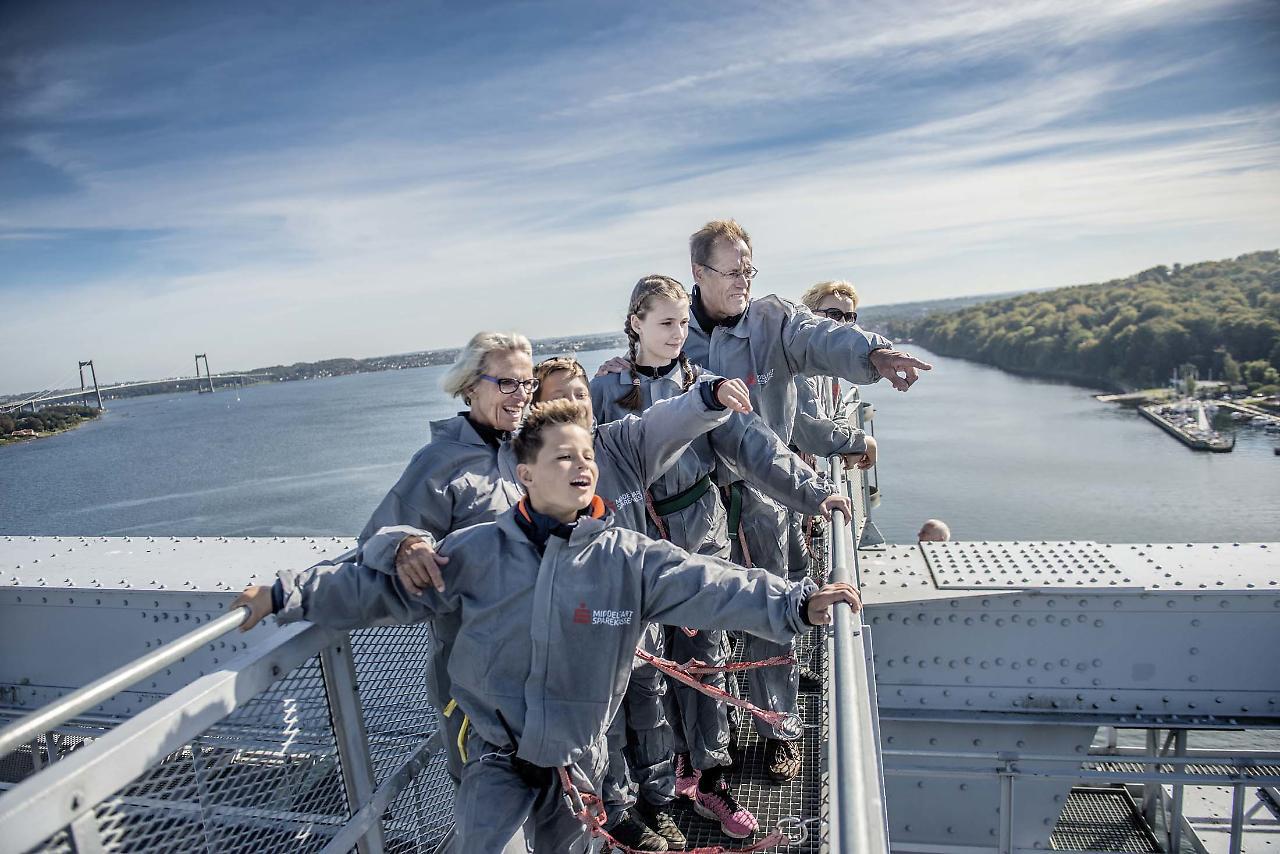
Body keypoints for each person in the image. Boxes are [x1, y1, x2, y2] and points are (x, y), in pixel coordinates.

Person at [232, 400, 863, 854]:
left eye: (588, 454)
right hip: (497, 760)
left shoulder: (626, 558)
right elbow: (374, 589)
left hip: (577, 765)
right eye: (563, 457)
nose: (582, 465)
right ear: (525, 475)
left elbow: (713, 584)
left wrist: (797, 601)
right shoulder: (477, 552)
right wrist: (287, 593)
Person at [602, 219, 928, 782]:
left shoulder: (771, 320)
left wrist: (873, 355)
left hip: (762, 497)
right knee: (696, 628)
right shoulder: (675, 340)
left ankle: (779, 728)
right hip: (694, 508)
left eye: (749, 269)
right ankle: (699, 752)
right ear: (699, 273)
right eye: (733, 271)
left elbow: (821, 339)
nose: (745, 282)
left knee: (764, 609)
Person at [352, 331, 744, 791]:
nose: (519, 395)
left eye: (524, 385)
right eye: (506, 384)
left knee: (569, 791)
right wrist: (407, 545)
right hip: (482, 679)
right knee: (495, 800)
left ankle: (615, 814)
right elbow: (381, 533)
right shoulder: (442, 462)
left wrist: (703, 396)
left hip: (552, 664)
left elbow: (648, 428)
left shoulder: (535, 451)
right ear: (471, 385)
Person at [588, 275, 853, 842]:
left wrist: (812, 492)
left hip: (700, 534)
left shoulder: (705, 385)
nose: (678, 333)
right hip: (636, 545)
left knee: (704, 655)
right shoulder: (604, 390)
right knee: (647, 674)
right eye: (665, 322)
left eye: (684, 323)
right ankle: (654, 787)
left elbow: (756, 447)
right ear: (635, 322)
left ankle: (711, 776)